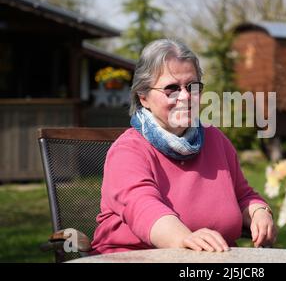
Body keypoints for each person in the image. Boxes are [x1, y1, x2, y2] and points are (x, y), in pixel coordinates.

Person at [91, 38, 276, 254]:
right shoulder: (128, 150)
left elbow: (243, 196)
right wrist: (185, 239)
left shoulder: (215, 139)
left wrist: (259, 212)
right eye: (171, 88)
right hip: (135, 257)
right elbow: (143, 208)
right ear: (144, 97)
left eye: (193, 86)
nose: (186, 96)